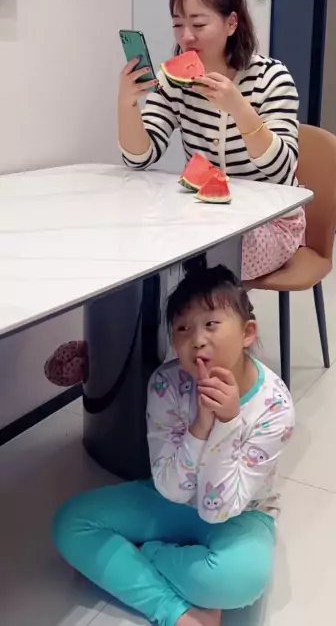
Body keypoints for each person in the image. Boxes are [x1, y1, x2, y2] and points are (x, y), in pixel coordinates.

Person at [44, 0, 305, 388]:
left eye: (198, 24)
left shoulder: (273, 78)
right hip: (205, 214)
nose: (186, 36)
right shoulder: (175, 80)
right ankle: (119, 350)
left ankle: (155, 362)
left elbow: (280, 168)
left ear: (231, 23)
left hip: (272, 222)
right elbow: (140, 156)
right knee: (140, 238)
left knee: (199, 263)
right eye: (178, 24)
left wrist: (239, 108)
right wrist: (127, 103)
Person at [52, 265, 295, 626]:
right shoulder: (166, 385)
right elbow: (170, 488)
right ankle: (178, 613)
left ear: (247, 333)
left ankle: (135, 557)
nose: (197, 340)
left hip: (240, 512)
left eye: (211, 324)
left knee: (239, 582)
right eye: (183, 329)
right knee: (70, 523)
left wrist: (227, 424)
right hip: (171, 499)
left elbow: (218, 510)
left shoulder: (274, 406)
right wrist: (200, 426)